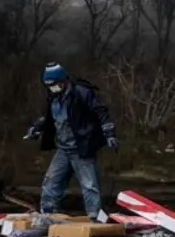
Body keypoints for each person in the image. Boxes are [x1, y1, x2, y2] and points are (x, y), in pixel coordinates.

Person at [24, 62, 119, 222]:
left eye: (54, 84)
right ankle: (47, 215)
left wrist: (109, 133)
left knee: (89, 185)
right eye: (49, 85)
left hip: (81, 148)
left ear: (63, 80)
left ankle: (94, 218)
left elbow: (101, 112)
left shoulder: (81, 92)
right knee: (51, 182)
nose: (52, 88)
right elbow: (49, 118)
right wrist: (36, 128)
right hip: (63, 149)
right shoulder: (53, 97)